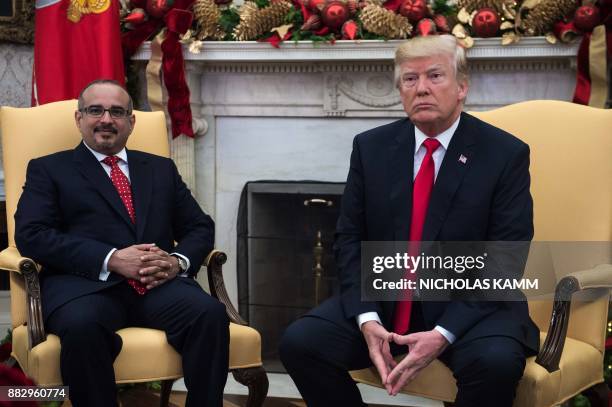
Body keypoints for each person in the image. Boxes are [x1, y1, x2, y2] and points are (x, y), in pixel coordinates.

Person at [279, 35, 540, 407]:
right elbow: (349, 238)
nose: (421, 89)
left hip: (471, 308)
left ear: (462, 86)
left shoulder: (504, 154)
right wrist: (367, 318)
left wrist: (443, 332)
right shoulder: (371, 148)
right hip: (385, 302)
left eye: (435, 76)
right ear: (400, 90)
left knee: (495, 363)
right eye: (410, 79)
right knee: (301, 343)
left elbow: (505, 258)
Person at [14, 79, 229, 407]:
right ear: (79, 118)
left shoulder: (160, 168)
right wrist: (111, 258)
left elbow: (199, 226)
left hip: (158, 286)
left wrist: (177, 261)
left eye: (117, 112)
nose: (106, 119)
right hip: (83, 287)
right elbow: (32, 234)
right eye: (95, 110)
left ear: (131, 121)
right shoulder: (50, 169)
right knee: (82, 327)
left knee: (209, 313)